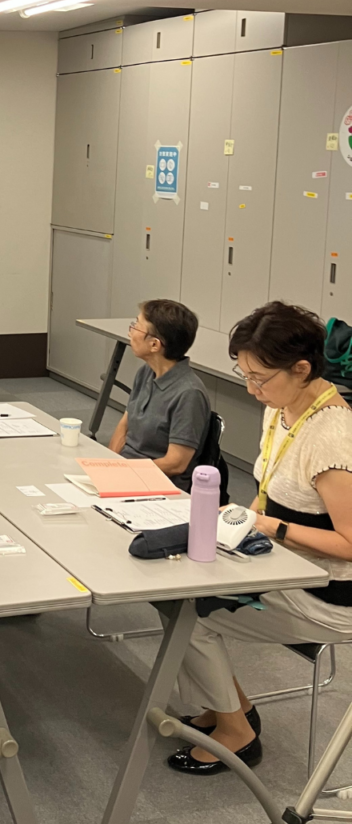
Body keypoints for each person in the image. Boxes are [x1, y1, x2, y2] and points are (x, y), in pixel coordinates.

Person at [169, 301, 352, 775]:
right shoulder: (283, 408)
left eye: (259, 378)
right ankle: (227, 708)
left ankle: (238, 730)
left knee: (191, 611)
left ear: (302, 369)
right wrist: (241, 524)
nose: (251, 389)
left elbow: (350, 544)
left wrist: (272, 527)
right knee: (173, 583)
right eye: (245, 374)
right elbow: (269, 492)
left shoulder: (332, 436)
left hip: (329, 594)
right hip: (282, 563)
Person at [108, 299, 211, 491]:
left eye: (136, 326)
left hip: (159, 484)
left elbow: (175, 463)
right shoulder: (145, 372)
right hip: (127, 473)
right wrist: (110, 466)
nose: (130, 332)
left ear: (154, 344)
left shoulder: (189, 393)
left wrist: (128, 473)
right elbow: (124, 425)